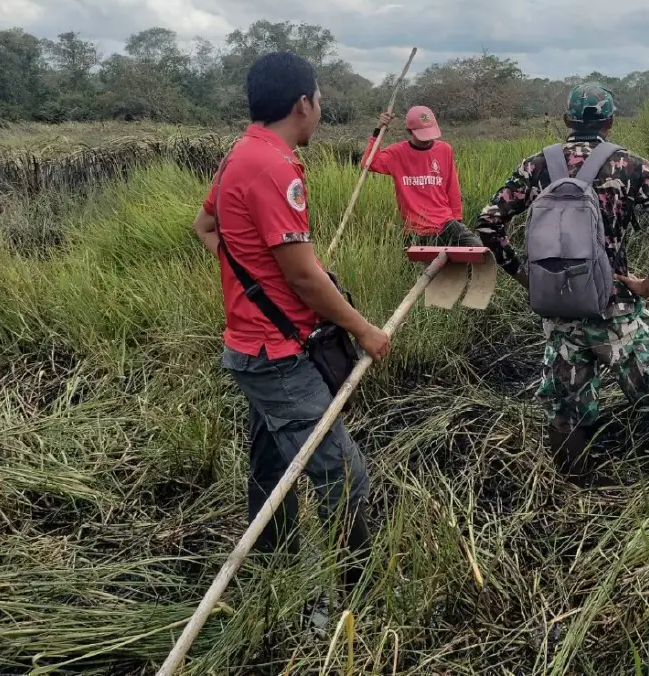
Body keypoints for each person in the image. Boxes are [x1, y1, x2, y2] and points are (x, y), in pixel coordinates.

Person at [191, 51, 391, 623]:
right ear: (303, 103)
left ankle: (269, 576)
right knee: (343, 474)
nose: (320, 111)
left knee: (273, 469)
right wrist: (364, 330)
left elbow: (207, 228)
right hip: (276, 356)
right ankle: (349, 599)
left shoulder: (241, 153)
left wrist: (253, 279)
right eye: (320, 100)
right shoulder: (273, 165)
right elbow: (304, 276)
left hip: (256, 345)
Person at [476, 83, 649, 480]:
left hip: (560, 309)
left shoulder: (537, 165)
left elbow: (488, 223)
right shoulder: (629, 165)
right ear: (611, 122)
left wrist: (524, 277)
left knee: (565, 404)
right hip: (615, 306)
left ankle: (572, 492)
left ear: (567, 120)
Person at [364, 105, 482, 247]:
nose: (427, 139)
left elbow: (452, 186)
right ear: (409, 131)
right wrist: (378, 130)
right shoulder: (397, 153)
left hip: (446, 222)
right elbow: (369, 163)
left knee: (477, 249)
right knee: (428, 263)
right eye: (423, 135)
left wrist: (457, 219)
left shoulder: (445, 149)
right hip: (417, 229)